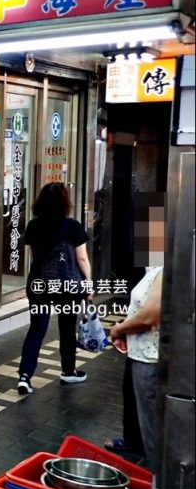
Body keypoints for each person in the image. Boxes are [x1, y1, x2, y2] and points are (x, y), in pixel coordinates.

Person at [16, 182, 92, 395]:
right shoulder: (73, 227)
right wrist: (88, 284)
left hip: (39, 283)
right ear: (65, 203)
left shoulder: (33, 226)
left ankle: (25, 376)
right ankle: (68, 371)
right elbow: (82, 258)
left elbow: (34, 255)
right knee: (67, 328)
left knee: (36, 329)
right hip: (66, 286)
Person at [107, 199, 165, 470]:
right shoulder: (152, 268)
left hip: (152, 358)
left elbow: (150, 315)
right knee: (143, 414)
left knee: (154, 431)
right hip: (142, 352)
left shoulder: (165, 269)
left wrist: (119, 328)